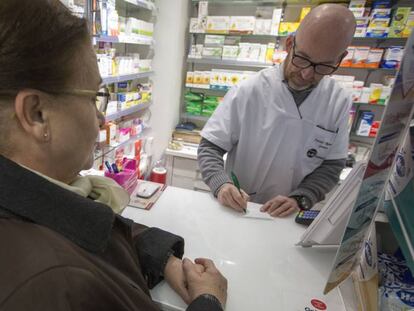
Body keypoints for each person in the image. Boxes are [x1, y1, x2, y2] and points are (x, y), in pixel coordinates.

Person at [0, 1, 226, 310]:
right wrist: (208, 301)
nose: (102, 118)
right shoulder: (55, 283)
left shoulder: (38, 193)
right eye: (94, 97)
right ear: (37, 114)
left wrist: (164, 259)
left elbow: (94, 227)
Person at [198, 4, 356, 217]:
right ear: (290, 44)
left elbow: (332, 165)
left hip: (291, 216)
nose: (307, 74)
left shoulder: (338, 101)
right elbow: (209, 147)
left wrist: (302, 197)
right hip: (239, 209)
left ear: (340, 59)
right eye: (303, 59)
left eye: (323, 66)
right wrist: (221, 184)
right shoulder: (249, 90)